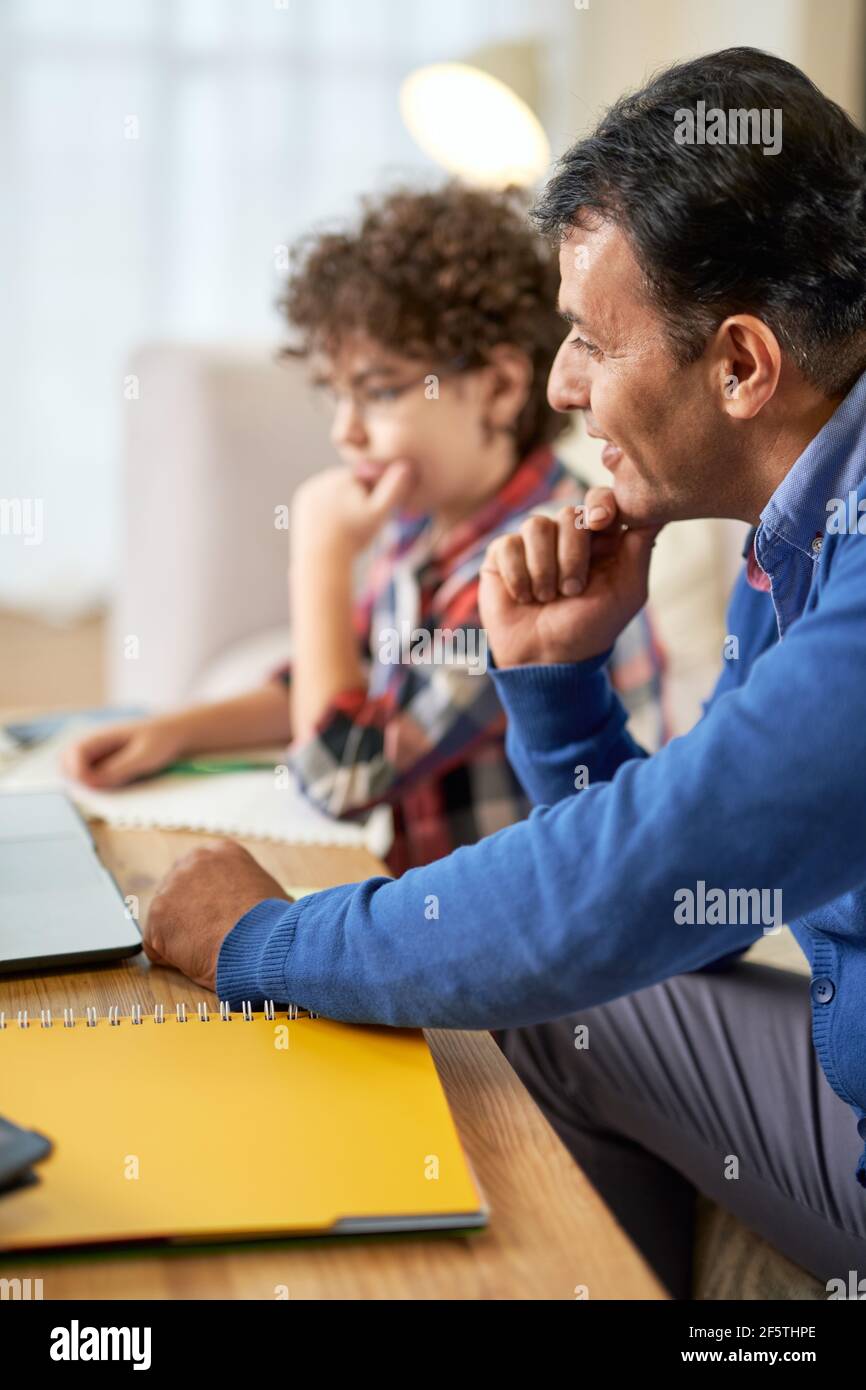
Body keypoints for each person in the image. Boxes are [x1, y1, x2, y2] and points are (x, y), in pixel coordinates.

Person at [141, 48, 866, 1298]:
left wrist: (261, 944)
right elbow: (680, 919)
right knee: (551, 1006)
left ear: (741, 365)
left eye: (588, 339)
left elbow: (615, 892)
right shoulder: (798, 538)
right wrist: (558, 682)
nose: (559, 384)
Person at [63, 183, 662, 875]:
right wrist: (169, 733)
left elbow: (342, 775)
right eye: (336, 395)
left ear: (499, 388)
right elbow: (340, 678)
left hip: (525, 932)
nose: (345, 432)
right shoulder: (421, 520)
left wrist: (318, 558)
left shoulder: (535, 556)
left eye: (378, 392)